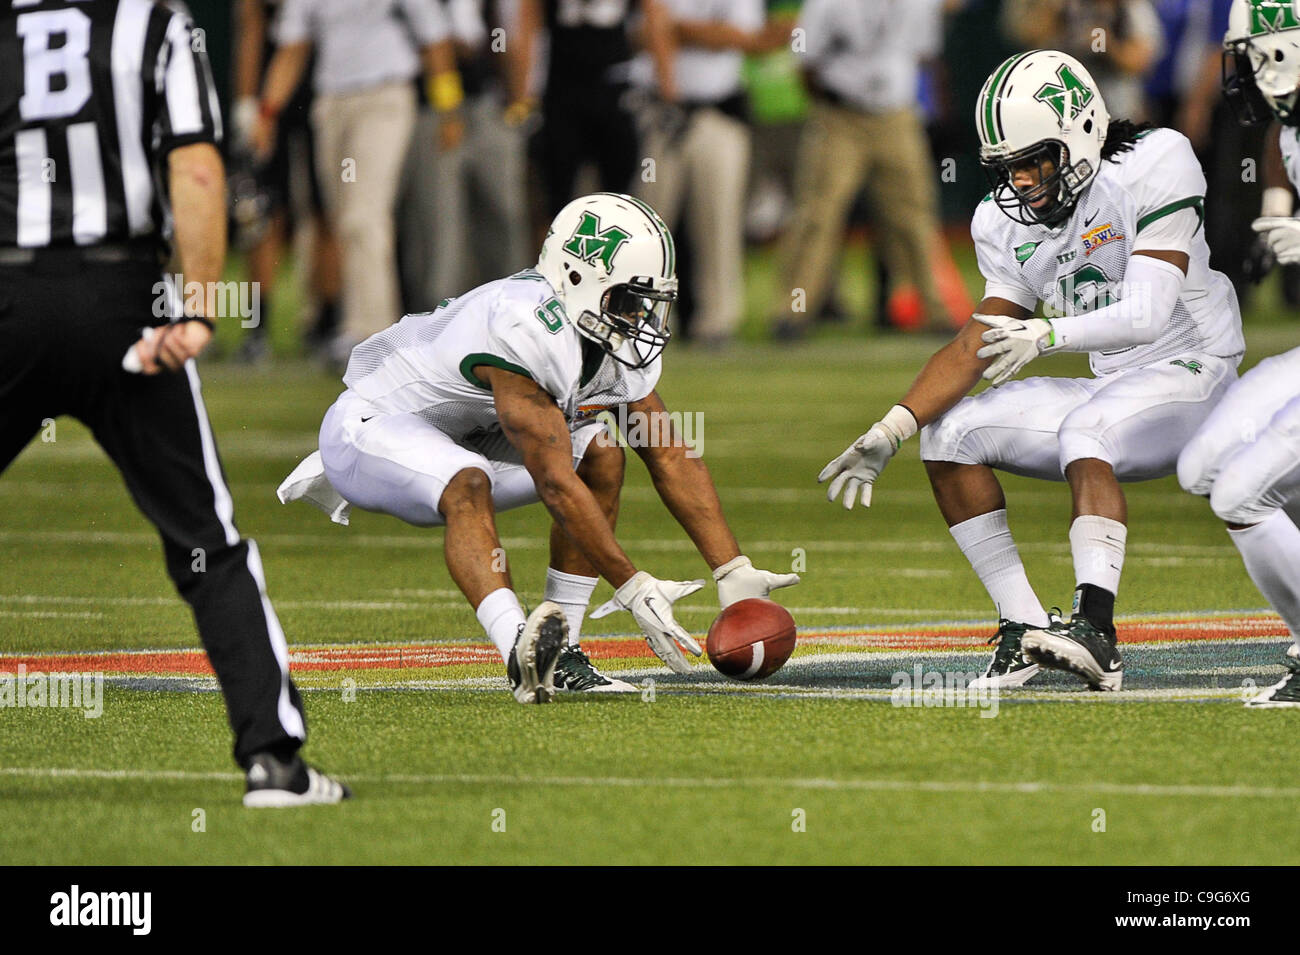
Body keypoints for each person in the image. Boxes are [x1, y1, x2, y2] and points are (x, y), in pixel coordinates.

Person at [0, 0, 346, 805]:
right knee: (206, 541)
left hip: (10, 293)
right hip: (121, 301)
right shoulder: (153, 23)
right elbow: (195, 166)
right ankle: (273, 761)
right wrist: (195, 307)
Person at [819, 50, 1244, 691]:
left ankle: (1096, 630)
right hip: (1117, 384)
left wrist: (1048, 333)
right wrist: (891, 428)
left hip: (1197, 372)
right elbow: (976, 344)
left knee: (1088, 430)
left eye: (1032, 161)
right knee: (950, 435)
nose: (1019, 183)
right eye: (1007, 168)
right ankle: (1021, 629)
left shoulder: (1156, 161)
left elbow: (1150, 313)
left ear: (1079, 133)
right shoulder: (1001, 222)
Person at [279, 193, 798, 700]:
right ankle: (517, 653)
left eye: (648, 301)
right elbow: (552, 481)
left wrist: (731, 569)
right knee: (468, 483)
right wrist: (632, 584)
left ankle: (561, 651)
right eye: (629, 299)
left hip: (467, 435)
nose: (642, 316)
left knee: (602, 453)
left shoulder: (603, 339)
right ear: (578, 279)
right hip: (372, 430)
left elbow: (666, 451)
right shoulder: (523, 323)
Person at [1177, 0, 1300, 708]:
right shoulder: (1290, 118)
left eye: (1259, 54)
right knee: (1202, 465)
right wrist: (1278, 210)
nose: (1248, 71)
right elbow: (1282, 145)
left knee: (1242, 491)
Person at [252, 0, 464, 368]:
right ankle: (357, 326)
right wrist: (267, 111)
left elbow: (435, 40)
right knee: (342, 219)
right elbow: (293, 47)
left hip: (385, 97)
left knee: (364, 216)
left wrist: (449, 107)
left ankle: (373, 334)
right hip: (331, 104)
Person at [767, 0, 951, 340]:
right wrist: (826, 109)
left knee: (915, 215)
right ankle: (791, 312)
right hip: (839, 117)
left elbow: (924, 55)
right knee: (816, 217)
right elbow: (805, 61)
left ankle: (936, 309)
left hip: (897, 116)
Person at [511, 0, 678, 219]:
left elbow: (655, 23)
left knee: (621, 203)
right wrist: (521, 103)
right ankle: (552, 252)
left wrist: (669, 94)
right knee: (554, 201)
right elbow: (527, 30)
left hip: (614, 92)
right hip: (562, 95)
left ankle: (613, 250)